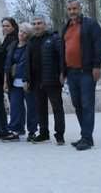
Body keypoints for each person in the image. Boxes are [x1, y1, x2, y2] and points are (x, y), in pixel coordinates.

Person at [61, 0, 101, 151]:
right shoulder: (66, 27)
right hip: (71, 73)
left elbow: (99, 45)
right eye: (69, 9)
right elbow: (63, 50)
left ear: (80, 9)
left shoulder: (90, 24)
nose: (72, 11)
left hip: (86, 72)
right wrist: (63, 72)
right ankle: (86, 137)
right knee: (77, 105)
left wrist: (97, 65)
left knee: (87, 105)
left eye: (74, 8)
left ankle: (86, 137)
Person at [29, 14, 65, 145]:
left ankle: (59, 135)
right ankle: (44, 133)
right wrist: (27, 79)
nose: (36, 26)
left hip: (52, 79)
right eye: (34, 24)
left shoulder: (54, 38)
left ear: (45, 25)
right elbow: (28, 62)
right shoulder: (31, 41)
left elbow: (61, 56)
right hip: (36, 81)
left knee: (57, 108)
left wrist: (62, 73)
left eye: (39, 23)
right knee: (40, 108)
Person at [3, 23, 36, 142]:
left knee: (31, 107)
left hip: (27, 81)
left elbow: (32, 65)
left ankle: (32, 131)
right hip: (14, 81)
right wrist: (5, 81)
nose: (21, 34)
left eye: (24, 32)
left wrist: (28, 80)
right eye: (20, 31)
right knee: (15, 106)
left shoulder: (31, 46)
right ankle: (15, 130)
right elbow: (7, 65)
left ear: (29, 35)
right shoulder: (13, 45)